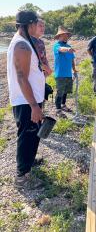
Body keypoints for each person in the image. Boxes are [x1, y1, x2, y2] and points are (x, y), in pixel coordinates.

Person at [7, 10, 45, 188]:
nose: (37, 26)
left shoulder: (24, 42)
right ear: (29, 24)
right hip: (26, 102)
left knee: (33, 134)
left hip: (31, 99)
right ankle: (22, 176)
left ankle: (29, 162)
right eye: (35, 23)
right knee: (27, 135)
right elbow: (21, 77)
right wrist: (34, 106)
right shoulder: (21, 45)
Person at [53, 26, 77, 117]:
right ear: (59, 37)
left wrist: (74, 69)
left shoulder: (69, 46)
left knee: (65, 91)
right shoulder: (57, 45)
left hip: (68, 73)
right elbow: (60, 49)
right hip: (60, 74)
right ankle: (58, 109)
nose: (66, 37)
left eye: (66, 35)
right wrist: (67, 50)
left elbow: (72, 60)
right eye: (63, 35)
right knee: (60, 91)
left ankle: (63, 105)